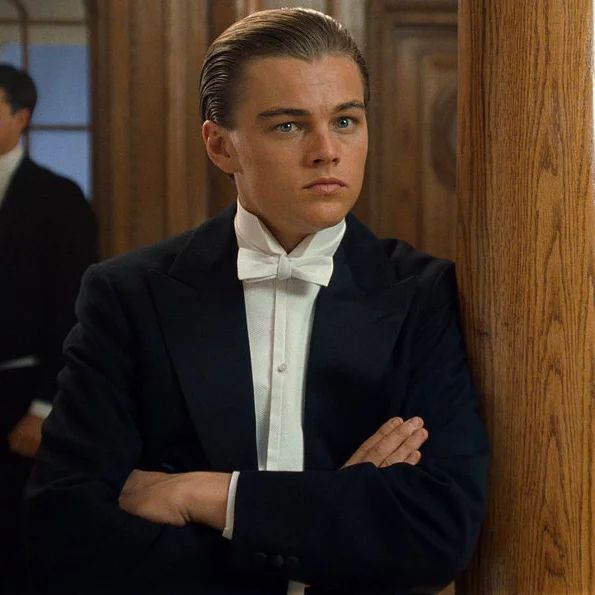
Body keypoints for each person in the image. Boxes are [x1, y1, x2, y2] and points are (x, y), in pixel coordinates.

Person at [25, 8, 488, 595]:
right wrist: (325, 516)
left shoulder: (425, 294)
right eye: (288, 126)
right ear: (221, 146)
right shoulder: (128, 295)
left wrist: (205, 496)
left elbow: (436, 535)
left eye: (345, 120)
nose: (327, 151)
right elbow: (65, 537)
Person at [0, 64, 97, 593]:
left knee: (16, 540)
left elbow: (73, 308)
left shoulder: (58, 198)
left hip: (23, 391)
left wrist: (44, 407)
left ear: (21, 117)